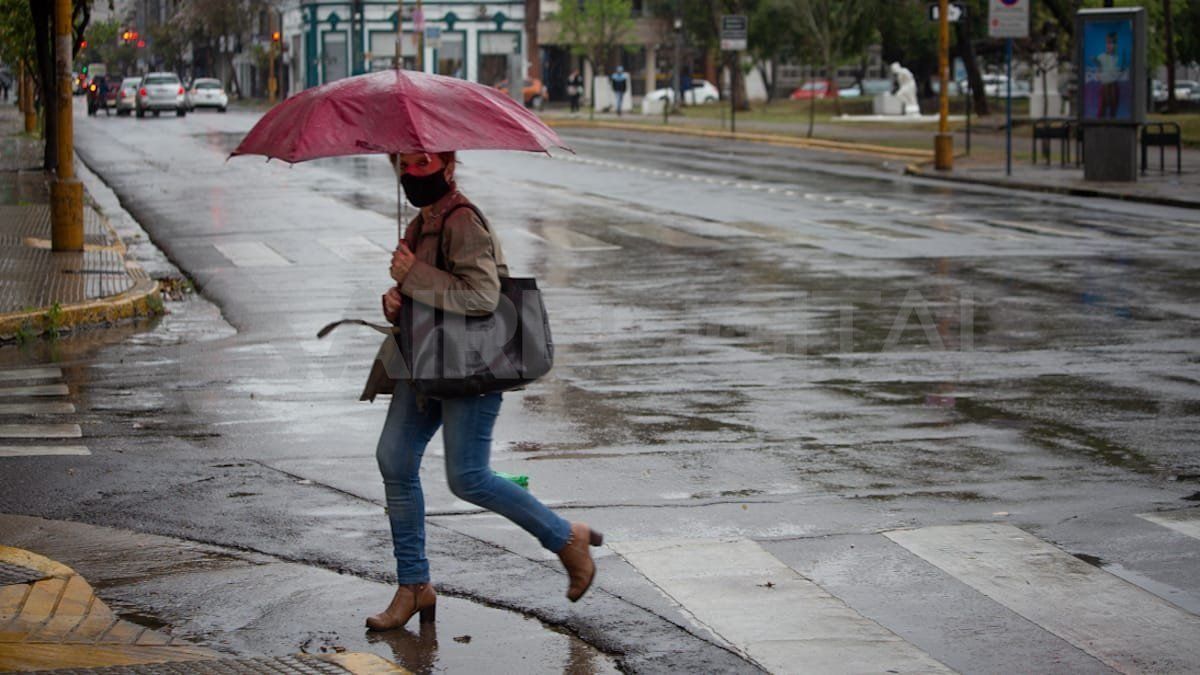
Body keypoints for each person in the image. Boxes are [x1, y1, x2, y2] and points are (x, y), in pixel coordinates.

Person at [364, 151, 604, 631]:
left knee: (468, 477)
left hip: (468, 366)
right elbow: (424, 295)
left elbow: (480, 296)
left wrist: (411, 277)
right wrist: (395, 299)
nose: (412, 174)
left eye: (422, 163)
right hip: (426, 363)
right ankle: (414, 585)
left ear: (449, 166)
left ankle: (565, 538)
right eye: (404, 165)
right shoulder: (420, 224)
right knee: (394, 457)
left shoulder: (462, 220)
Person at [1094, 32, 1126, 119]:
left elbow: (1120, 73)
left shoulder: (1118, 58)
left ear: (1116, 45)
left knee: (1113, 111)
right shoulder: (1101, 57)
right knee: (1101, 110)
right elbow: (1097, 75)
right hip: (1105, 86)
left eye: (1112, 43)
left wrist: (1108, 75)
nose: (1109, 45)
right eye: (1108, 42)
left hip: (1113, 86)